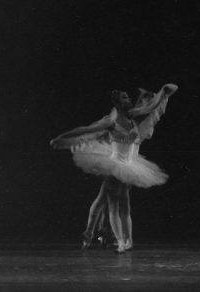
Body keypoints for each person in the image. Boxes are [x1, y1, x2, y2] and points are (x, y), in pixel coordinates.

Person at [51, 84, 177, 253]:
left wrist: (163, 91)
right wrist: (62, 138)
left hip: (130, 165)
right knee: (111, 204)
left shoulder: (133, 116)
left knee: (122, 204)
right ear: (117, 102)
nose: (130, 99)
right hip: (114, 164)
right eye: (125, 97)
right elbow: (86, 129)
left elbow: (151, 107)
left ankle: (126, 240)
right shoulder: (111, 120)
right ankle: (115, 240)